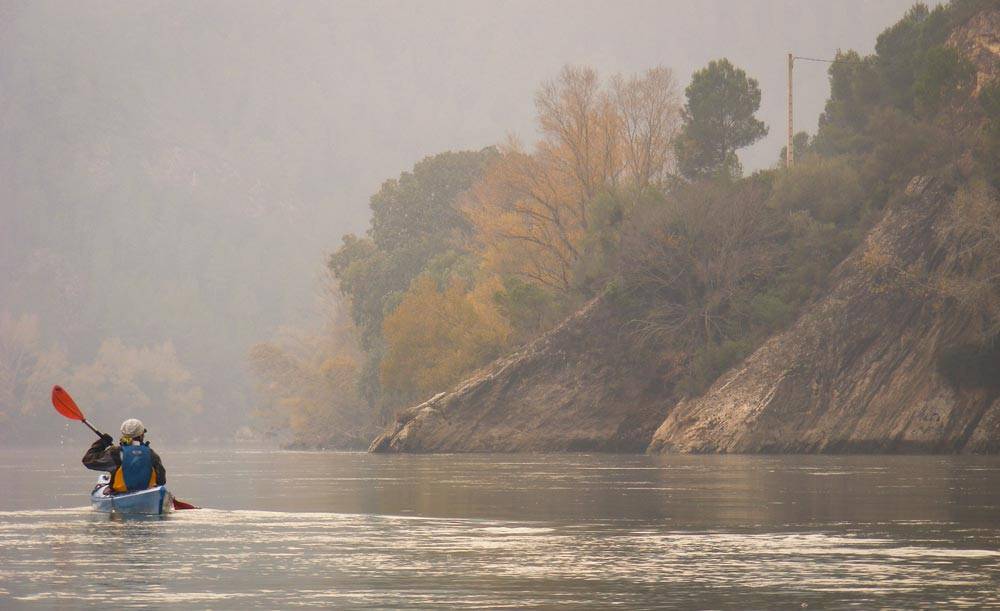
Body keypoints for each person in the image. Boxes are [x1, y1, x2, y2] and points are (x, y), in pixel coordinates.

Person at [82, 418, 166, 493]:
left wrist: (102, 442)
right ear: (142, 435)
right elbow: (161, 480)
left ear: (123, 434)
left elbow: (88, 460)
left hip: (121, 494)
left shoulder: (115, 452)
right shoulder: (151, 454)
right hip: (147, 492)